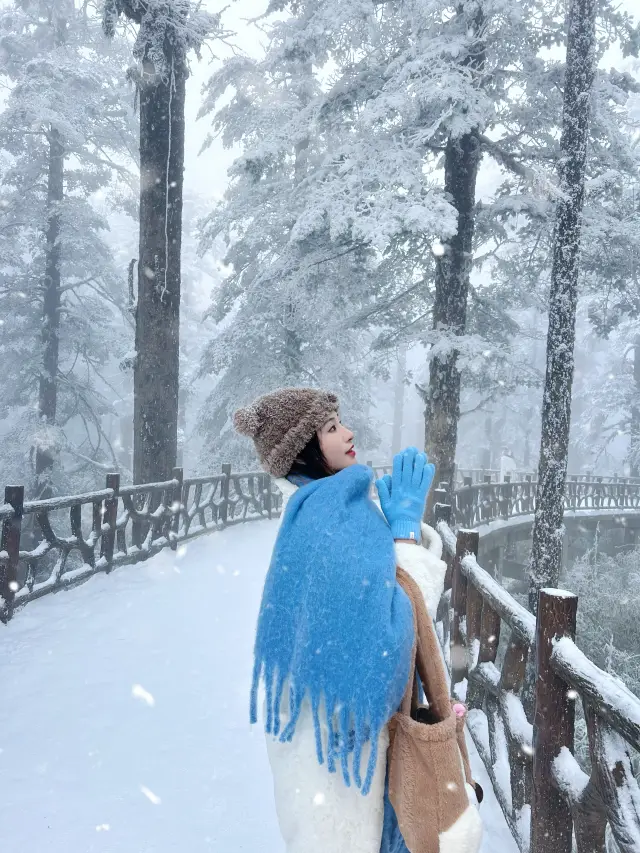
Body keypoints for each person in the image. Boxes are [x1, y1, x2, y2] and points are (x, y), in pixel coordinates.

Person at [234, 387, 482, 853]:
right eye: (330, 428)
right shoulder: (333, 516)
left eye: (340, 422)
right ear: (304, 449)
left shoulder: (317, 509)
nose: (348, 433)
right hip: (347, 764)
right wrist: (406, 539)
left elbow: (355, 606)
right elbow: (384, 640)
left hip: (323, 752)